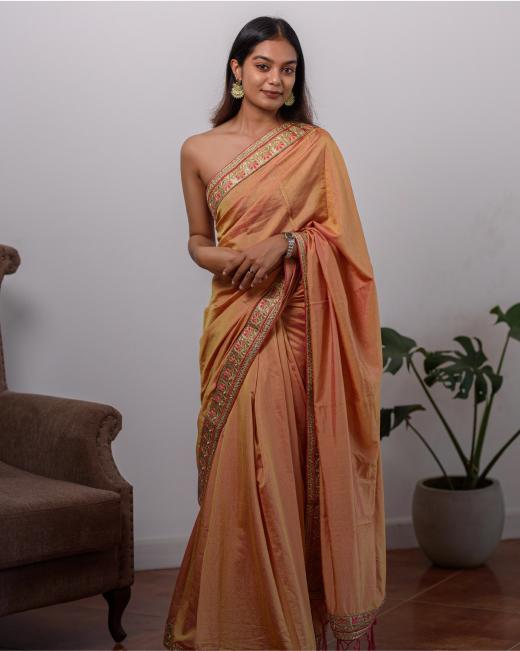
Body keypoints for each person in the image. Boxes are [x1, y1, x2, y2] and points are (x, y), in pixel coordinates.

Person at [163, 15, 386, 651]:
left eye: (288, 69)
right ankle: (245, 627)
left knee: (292, 468)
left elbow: (346, 245)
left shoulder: (315, 146)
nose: (275, 79)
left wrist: (287, 244)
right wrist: (224, 257)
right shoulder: (197, 150)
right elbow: (197, 239)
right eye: (263, 65)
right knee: (243, 470)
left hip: (302, 323)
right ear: (237, 70)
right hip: (237, 317)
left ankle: (297, 619)